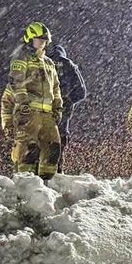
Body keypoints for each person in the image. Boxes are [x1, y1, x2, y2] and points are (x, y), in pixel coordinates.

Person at [0, 22, 63, 180]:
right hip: (28, 114)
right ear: (29, 39)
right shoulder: (22, 58)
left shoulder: (49, 63)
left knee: (53, 149)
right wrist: (23, 104)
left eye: (44, 40)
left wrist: (58, 107)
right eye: (38, 39)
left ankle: (46, 184)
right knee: (29, 150)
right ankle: (25, 185)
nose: (42, 43)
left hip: (47, 114)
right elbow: (17, 82)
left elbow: (56, 88)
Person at [46, 44, 87, 173]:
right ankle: (57, 173)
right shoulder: (69, 66)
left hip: (43, 113)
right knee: (58, 145)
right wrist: (68, 101)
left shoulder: (44, 64)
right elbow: (81, 92)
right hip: (63, 117)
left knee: (40, 145)